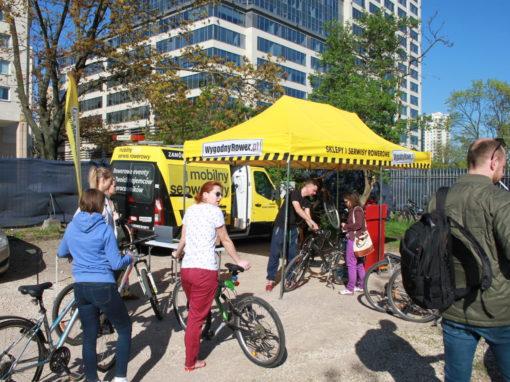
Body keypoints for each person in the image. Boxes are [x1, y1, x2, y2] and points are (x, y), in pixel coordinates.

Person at [429, 138, 510, 382]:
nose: (503, 171)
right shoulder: (499, 200)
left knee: (456, 377)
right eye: (504, 165)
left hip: (453, 306)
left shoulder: (439, 199)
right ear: (494, 161)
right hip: (498, 310)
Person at [172, 181, 251, 372]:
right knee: (195, 319)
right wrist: (239, 260)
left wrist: (176, 253)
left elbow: (183, 239)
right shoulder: (214, 212)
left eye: (220, 194)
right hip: (204, 271)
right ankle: (191, 362)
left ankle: (203, 331)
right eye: (217, 194)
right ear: (205, 194)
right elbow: (224, 239)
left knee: (195, 311)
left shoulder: (190, 211)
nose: (220, 198)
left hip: (187, 270)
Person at [58, 189, 133, 382]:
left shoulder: (72, 227)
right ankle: (120, 378)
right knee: (124, 328)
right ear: (100, 206)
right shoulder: (104, 229)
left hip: (81, 287)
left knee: (89, 337)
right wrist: (129, 258)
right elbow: (116, 263)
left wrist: (77, 254)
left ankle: (92, 379)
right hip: (103, 286)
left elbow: (61, 252)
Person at [266, 179, 319, 292]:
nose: (314, 193)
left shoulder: (307, 202)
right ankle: (270, 279)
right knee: (275, 252)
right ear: (308, 186)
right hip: (281, 226)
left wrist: (312, 225)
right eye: (314, 190)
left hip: (293, 228)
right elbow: (298, 209)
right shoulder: (294, 193)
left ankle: (289, 278)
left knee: (292, 254)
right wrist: (311, 221)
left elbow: (307, 217)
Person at [340, 192, 366, 295]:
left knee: (351, 264)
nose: (346, 203)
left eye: (346, 201)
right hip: (358, 240)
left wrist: (345, 226)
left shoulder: (357, 210)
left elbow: (358, 224)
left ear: (351, 200)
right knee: (359, 264)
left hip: (353, 240)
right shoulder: (357, 209)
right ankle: (361, 286)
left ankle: (350, 288)